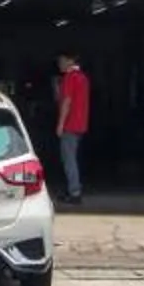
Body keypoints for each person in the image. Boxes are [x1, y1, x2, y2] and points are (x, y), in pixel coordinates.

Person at [53, 54, 91, 204]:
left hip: (70, 124)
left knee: (69, 159)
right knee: (71, 158)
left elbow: (66, 102)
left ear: (71, 61)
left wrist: (60, 124)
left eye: (62, 61)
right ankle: (72, 189)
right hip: (80, 124)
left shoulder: (70, 77)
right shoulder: (83, 78)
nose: (59, 64)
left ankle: (74, 191)